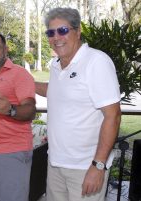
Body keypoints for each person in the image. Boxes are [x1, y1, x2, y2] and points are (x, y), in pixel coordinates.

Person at [35, 7, 121, 201]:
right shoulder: (57, 65)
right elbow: (58, 91)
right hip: (56, 164)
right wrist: (27, 83)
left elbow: (113, 116)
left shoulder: (96, 62)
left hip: (85, 168)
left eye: (62, 30)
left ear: (78, 30)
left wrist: (98, 166)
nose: (56, 37)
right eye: (50, 32)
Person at [0, 31, 36, 201]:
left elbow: (31, 110)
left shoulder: (19, 73)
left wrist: (10, 109)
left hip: (13, 150)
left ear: (6, 49)